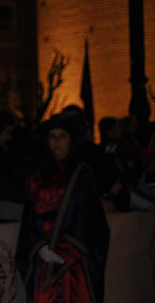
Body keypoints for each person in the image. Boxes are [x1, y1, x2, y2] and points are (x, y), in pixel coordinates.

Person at [16, 114, 109, 303]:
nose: (57, 142)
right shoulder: (39, 176)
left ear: (70, 140)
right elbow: (30, 216)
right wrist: (40, 246)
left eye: (62, 136)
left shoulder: (81, 174)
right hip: (45, 258)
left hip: (73, 262)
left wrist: (65, 251)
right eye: (53, 137)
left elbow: (89, 217)